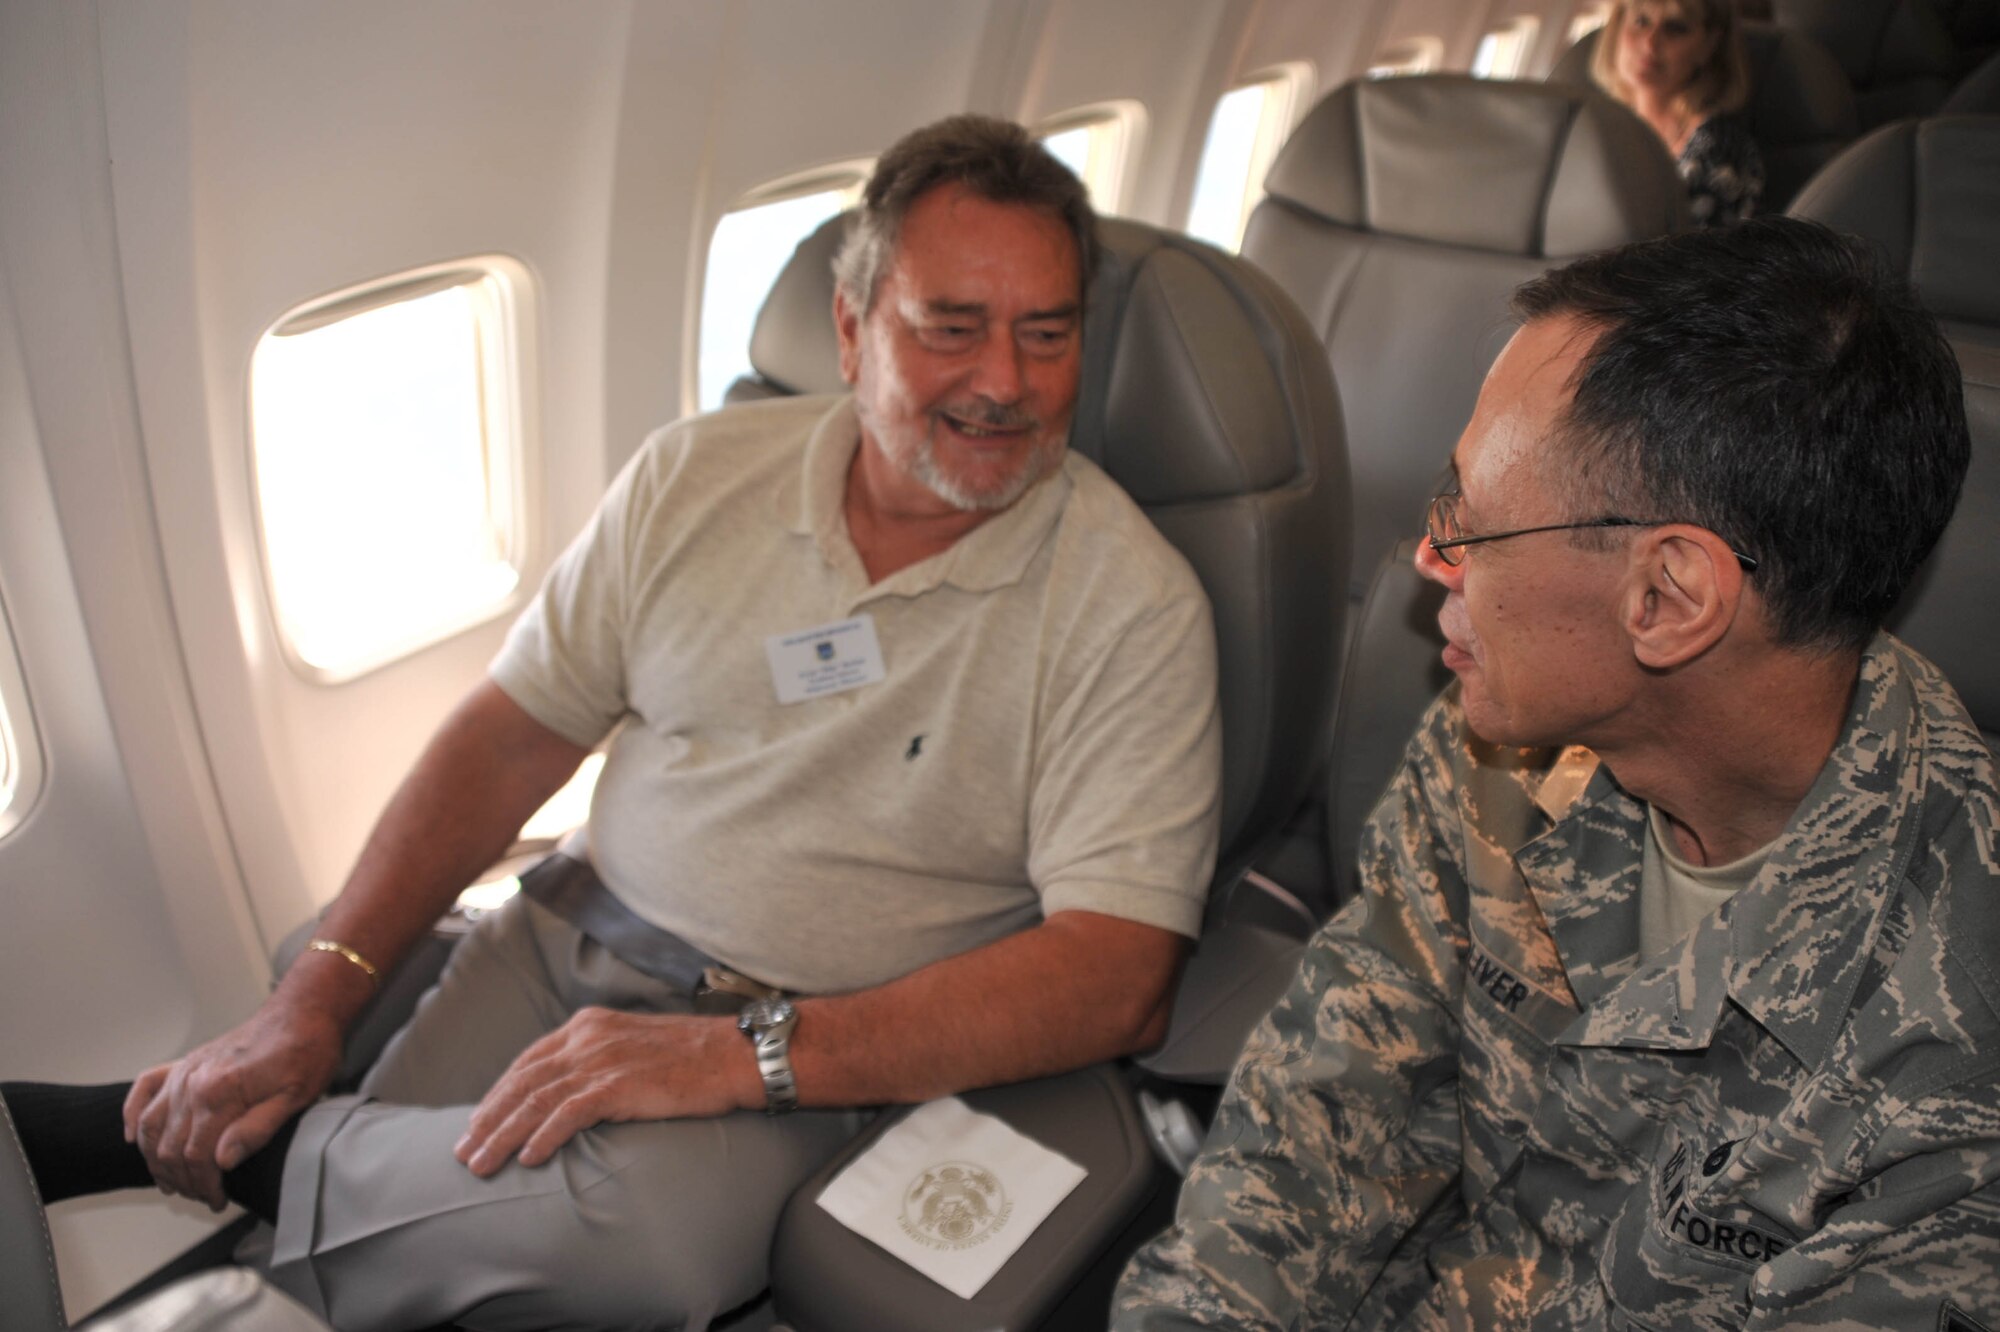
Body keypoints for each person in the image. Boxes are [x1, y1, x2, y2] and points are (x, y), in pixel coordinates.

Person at [5, 115, 1222, 1330]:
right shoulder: (693, 475)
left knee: (636, 1242)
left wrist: (741, 1056)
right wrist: (312, 1000)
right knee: (388, 1234)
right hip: (559, 944)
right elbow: (508, 736)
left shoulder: (1130, 604)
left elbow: (1114, 979)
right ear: (852, 330)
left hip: (821, 1044)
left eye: (1046, 333)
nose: (1004, 382)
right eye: (951, 328)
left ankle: (116, 1143)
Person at [1114, 216, 1995, 1328]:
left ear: (1666, 597)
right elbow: (1326, 1113)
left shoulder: (1956, 1063)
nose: (1428, 558)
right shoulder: (1508, 751)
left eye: (1475, 526)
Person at [1593, 0, 1765, 225]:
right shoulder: (1595, 130)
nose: (1651, 42)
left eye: (1675, 28)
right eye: (1641, 21)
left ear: (1709, 44)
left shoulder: (1720, 151)